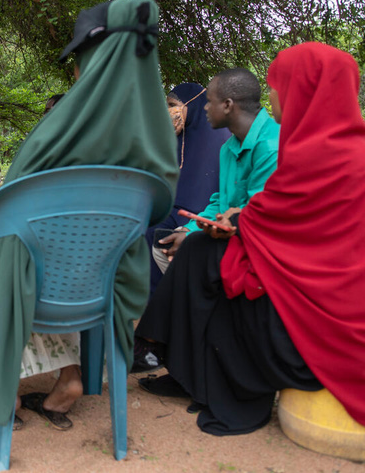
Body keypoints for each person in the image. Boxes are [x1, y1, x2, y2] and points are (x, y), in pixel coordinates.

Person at [0, 0, 179, 431]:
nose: (75, 72)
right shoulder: (156, 139)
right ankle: (71, 376)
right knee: (60, 256)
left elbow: (1, 211)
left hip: (36, 286)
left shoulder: (58, 130)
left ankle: (6, 390)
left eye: (79, 59)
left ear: (92, 62)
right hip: (103, 285)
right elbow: (155, 210)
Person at [135, 42, 365, 435]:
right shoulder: (322, 145)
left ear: (304, 90)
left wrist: (227, 226)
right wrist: (206, 226)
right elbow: (254, 211)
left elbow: (270, 216)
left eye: (278, 85)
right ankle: (179, 365)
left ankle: (180, 361)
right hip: (295, 269)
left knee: (206, 262)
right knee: (196, 252)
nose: (272, 96)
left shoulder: (305, 151)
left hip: (317, 301)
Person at [132, 69, 281, 373]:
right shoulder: (229, 148)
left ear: (227, 105)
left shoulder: (270, 146)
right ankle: (170, 353)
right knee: (177, 246)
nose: (205, 109)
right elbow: (219, 201)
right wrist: (190, 228)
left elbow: (261, 210)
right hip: (231, 230)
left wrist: (215, 226)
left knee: (188, 256)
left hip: (262, 240)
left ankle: (153, 343)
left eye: (208, 102)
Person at [134, 82, 230, 372]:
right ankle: (144, 330)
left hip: (202, 217)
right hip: (170, 210)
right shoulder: (174, 140)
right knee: (140, 231)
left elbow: (220, 199)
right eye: (168, 105)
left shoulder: (223, 140)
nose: (170, 112)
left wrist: (191, 225)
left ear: (195, 104)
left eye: (176, 105)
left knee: (158, 239)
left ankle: (153, 341)